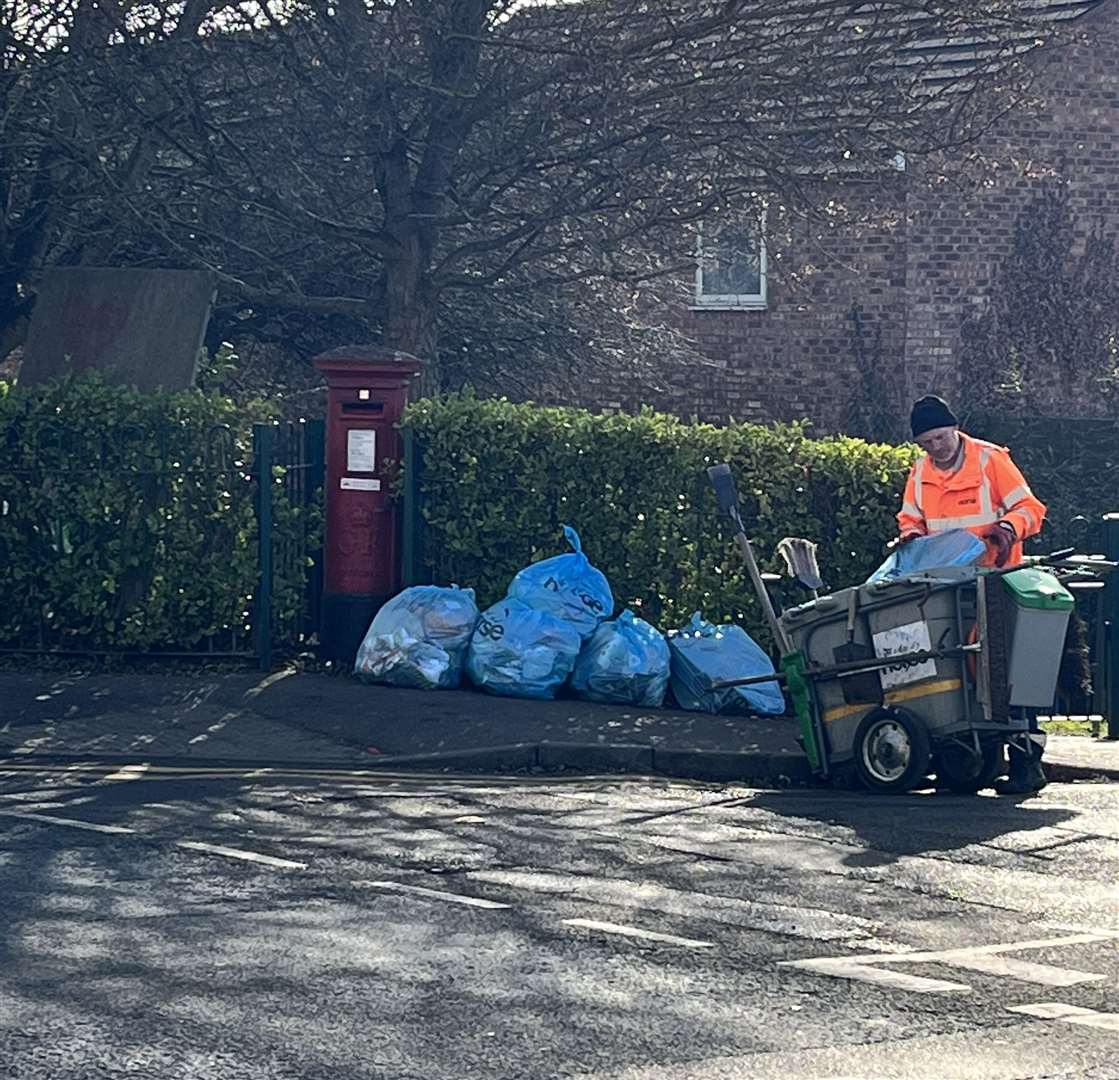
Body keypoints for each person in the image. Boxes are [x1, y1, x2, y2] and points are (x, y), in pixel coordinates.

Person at [897, 395, 1049, 794]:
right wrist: (910, 538)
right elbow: (911, 519)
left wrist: (1008, 529)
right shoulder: (919, 472)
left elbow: (1030, 508)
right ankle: (971, 760)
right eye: (926, 442)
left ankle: (1025, 764)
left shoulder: (989, 460)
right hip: (945, 589)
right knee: (956, 675)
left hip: (997, 582)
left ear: (955, 428)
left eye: (941, 438)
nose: (936, 448)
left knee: (1004, 676)